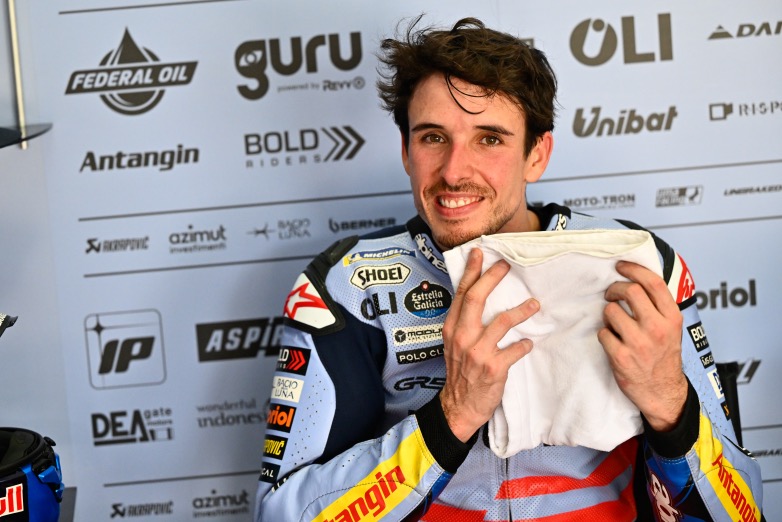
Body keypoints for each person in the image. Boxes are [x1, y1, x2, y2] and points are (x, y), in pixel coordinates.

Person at [254, 17, 763, 521]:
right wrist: (451, 418)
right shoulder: (349, 286)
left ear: (536, 154)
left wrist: (671, 407)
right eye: (433, 137)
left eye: (489, 139)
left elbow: (741, 512)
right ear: (406, 151)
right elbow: (280, 514)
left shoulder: (638, 265)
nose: (454, 171)